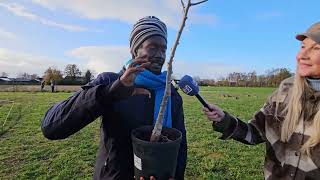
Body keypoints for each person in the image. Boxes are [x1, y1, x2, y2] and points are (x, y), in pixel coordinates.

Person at [41, 16, 187, 180]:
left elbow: (179, 147)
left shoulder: (171, 94)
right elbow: (51, 127)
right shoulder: (109, 82)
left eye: (163, 49)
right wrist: (112, 92)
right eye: (152, 47)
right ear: (135, 51)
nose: (160, 55)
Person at [203, 22, 320, 179]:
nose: (302, 56)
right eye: (303, 47)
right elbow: (255, 133)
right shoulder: (285, 90)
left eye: (316, 48)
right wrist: (224, 119)